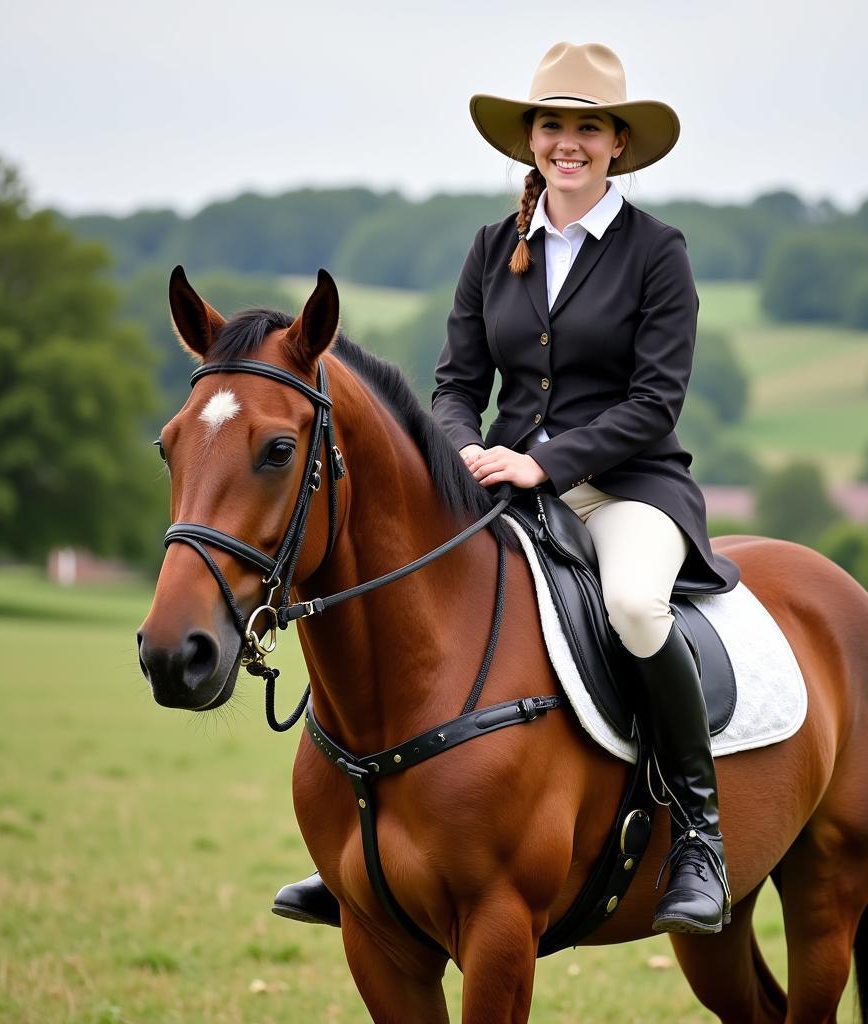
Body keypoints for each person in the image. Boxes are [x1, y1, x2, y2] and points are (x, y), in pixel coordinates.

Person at [273, 40, 740, 936]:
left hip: (629, 490)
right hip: (503, 488)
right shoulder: (494, 247)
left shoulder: (657, 252)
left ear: (617, 145)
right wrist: (463, 457)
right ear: (531, 138)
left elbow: (655, 401)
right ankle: (367, 846)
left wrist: (546, 463)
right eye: (553, 125)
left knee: (638, 609)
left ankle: (700, 839)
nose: (569, 142)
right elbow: (455, 383)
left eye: (588, 128)